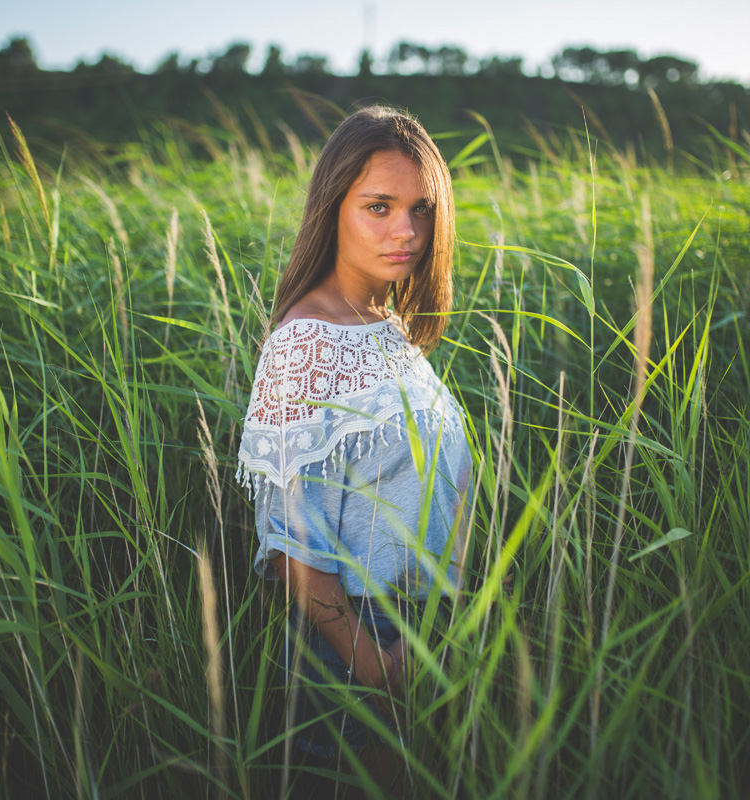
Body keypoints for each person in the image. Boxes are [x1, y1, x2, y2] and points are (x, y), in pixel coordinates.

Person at [236, 105, 473, 796]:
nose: (407, 231)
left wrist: (445, 611)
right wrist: (372, 664)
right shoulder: (305, 345)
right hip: (355, 643)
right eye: (379, 206)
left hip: (420, 629)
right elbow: (291, 539)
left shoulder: (386, 324)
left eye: (421, 209)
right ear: (333, 206)